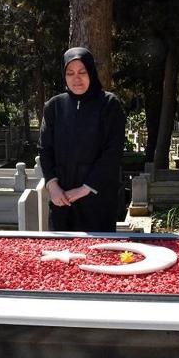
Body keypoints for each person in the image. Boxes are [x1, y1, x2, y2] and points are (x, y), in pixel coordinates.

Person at [38, 47, 126, 232]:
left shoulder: (109, 105)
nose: (76, 78)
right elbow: (45, 149)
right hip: (62, 200)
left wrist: (84, 189)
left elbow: (113, 152)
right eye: (70, 73)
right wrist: (52, 186)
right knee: (60, 257)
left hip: (96, 200)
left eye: (82, 72)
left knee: (98, 256)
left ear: (91, 73)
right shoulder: (54, 107)